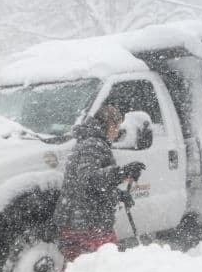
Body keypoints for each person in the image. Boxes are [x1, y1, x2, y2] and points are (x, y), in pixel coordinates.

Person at [54, 102, 146, 263]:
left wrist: (118, 195)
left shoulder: (89, 142)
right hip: (86, 224)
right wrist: (122, 172)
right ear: (110, 124)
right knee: (100, 268)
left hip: (81, 220)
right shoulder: (93, 144)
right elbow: (88, 179)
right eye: (116, 127)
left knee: (83, 271)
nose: (117, 132)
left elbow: (89, 186)